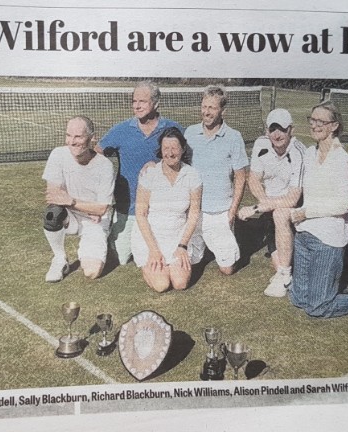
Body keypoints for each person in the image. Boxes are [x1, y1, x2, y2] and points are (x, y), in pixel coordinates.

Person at [97, 81, 183, 266]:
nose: (137, 105)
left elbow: (187, 160)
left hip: (160, 210)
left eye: (142, 101)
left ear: (156, 103)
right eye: (134, 101)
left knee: (164, 257)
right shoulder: (120, 130)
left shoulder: (173, 129)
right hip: (127, 209)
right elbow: (97, 154)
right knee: (120, 258)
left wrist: (159, 164)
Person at [287, 101, 348, 318]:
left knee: (317, 308)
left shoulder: (341, 158)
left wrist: (306, 212)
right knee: (298, 299)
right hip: (303, 235)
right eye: (312, 120)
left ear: (334, 126)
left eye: (321, 121)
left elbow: (344, 204)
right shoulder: (309, 153)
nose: (315, 125)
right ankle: (335, 287)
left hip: (328, 240)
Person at [238, 108, 306, 297]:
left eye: (282, 129)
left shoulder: (299, 152)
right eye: (273, 129)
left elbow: (293, 199)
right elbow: (253, 179)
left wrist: (256, 208)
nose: (277, 134)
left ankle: (285, 275)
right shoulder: (261, 145)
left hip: (296, 207)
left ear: (291, 130)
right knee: (277, 263)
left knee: (280, 213)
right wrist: (265, 202)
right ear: (267, 130)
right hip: (270, 206)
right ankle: (284, 271)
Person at [42, 116, 115, 282]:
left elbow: (102, 209)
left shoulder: (105, 166)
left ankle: (102, 240)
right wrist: (85, 206)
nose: (71, 142)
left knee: (91, 272)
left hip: (95, 221)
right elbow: (53, 196)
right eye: (68, 135)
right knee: (52, 213)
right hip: (72, 216)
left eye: (78, 137)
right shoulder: (57, 154)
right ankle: (60, 259)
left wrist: (71, 201)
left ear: (92, 138)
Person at [185, 85, 248, 275]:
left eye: (212, 108)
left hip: (220, 210)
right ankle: (201, 245)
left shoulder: (234, 137)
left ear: (223, 110)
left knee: (227, 269)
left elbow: (240, 176)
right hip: (194, 209)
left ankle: (220, 244)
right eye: (204, 106)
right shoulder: (189, 133)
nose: (206, 112)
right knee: (191, 262)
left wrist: (232, 210)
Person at [131, 128, 203, 292]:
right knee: (161, 285)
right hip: (152, 237)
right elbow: (141, 214)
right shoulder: (149, 174)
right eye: (166, 148)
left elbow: (193, 214)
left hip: (179, 236)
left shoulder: (192, 175)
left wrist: (182, 245)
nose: (170, 153)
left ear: (183, 149)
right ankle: (152, 268)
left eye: (174, 148)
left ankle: (172, 266)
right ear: (160, 150)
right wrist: (154, 250)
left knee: (180, 283)